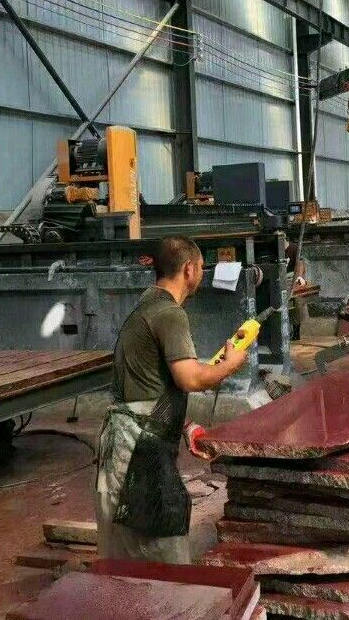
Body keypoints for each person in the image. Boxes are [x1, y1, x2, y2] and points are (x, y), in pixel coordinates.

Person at [94, 236, 247, 564]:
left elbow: (146, 387)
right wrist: (231, 366)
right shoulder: (169, 314)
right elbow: (189, 378)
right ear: (189, 269)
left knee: (123, 558)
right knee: (162, 555)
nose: (202, 274)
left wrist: (184, 425)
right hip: (138, 451)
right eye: (201, 267)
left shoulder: (146, 307)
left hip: (127, 442)